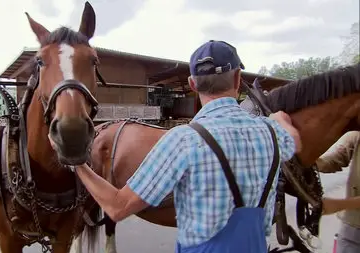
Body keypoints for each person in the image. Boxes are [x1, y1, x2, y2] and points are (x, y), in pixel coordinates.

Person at [75, 40, 302, 253]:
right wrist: (279, 119)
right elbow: (295, 140)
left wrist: (77, 164)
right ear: (237, 79)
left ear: (193, 84)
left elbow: (117, 206)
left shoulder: (183, 140)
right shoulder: (271, 133)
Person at [316, 131, 360, 253]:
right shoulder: (356, 137)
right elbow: (333, 161)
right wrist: (309, 158)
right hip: (351, 229)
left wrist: (339, 205)